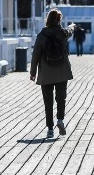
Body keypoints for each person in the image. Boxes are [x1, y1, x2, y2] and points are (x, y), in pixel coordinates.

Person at [30, 9, 76, 139]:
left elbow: (36, 55)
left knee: (48, 101)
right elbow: (70, 30)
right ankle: (60, 120)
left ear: (47, 20)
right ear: (59, 20)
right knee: (61, 98)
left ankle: (50, 129)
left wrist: (33, 72)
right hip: (62, 70)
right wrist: (72, 26)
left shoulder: (42, 35)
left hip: (46, 72)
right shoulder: (62, 33)